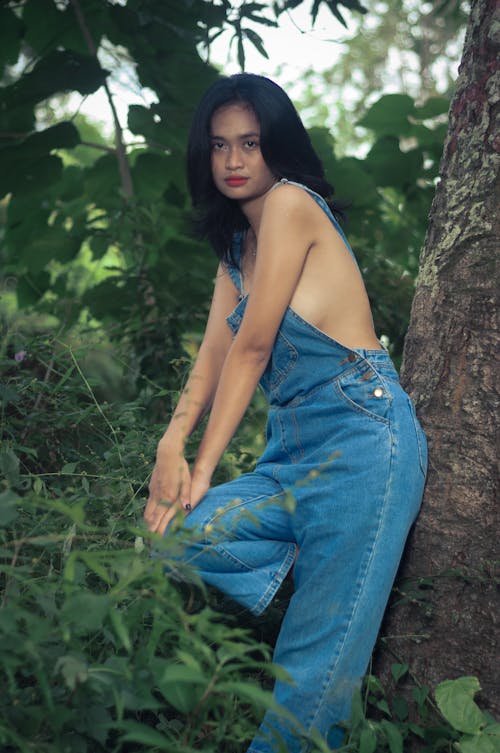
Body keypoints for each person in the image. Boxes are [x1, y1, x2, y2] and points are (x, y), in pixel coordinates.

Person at [144, 73, 427, 753]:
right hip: (291, 453)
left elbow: (253, 347)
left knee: (314, 676)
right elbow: (210, 361)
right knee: (179, 532)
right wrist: (169, 445)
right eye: (219, 146)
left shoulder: (293, 204)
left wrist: (204, 464)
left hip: (364, 441)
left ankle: (340, 590)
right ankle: (334, 578)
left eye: (250, 143)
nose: (234, 161)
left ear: (279, 147)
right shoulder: (236, 253)